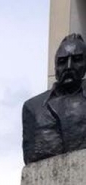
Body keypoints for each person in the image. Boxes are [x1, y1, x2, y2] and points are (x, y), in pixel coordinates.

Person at [22, 33, 86, 164]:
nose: (69, 66)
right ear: (55, 66)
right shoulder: (33, 107)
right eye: (62, 61)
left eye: (77, 60)